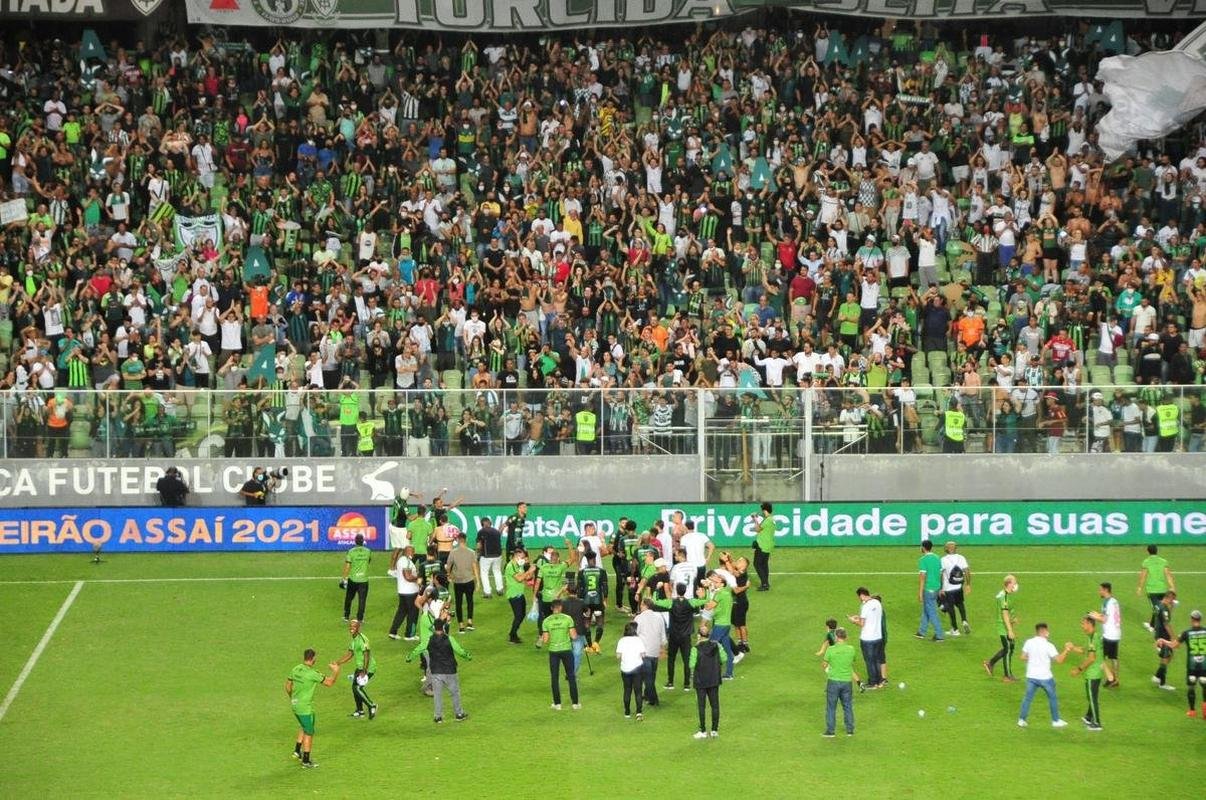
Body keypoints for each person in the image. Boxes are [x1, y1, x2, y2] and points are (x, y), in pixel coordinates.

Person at [285, 648, 341, 769]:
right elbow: (329, 683)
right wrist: (336, 671)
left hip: (295, 705)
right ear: (314, 658)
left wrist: (293, 698)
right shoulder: (312, 673)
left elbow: (288, 685)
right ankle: (306, 760)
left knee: (303, 726)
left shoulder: (296, 669)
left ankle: (296, 751)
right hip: (305, 708)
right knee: (309, 732)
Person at [407, 619, 470, 723]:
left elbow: (419, 648)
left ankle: (438, 717)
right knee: (454, 693)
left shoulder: (429, 640)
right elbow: (459, 650)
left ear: (434, 627)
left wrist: (409, 657)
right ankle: (459, 714)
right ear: (443, 627)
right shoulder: (450, 638)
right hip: (450, 671)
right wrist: (468, 656)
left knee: (437, 695)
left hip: (436, 671)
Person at [1017, 622, 1072, 728]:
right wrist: (1067, 650)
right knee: (1052, 698)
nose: (1048, 633)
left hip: (1031, 676)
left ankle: (1021, 720)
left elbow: (1022, 657)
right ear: (1042, 632)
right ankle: (1055, 720)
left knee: (1028, 698)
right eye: (1047, 631)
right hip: (1045, 677)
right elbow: (1059, 660)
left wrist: (1033, 659)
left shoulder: (1029, 642)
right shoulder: (1048, 645)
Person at [1155, 608, 1206, 718]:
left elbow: (1174, 645)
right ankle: (1205, 711)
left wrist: (1163, 641)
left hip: (1192, 666)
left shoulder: (1187, 633)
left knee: (1191, 687)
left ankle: (1192, 711)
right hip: (1204, 665)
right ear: (1200, 619)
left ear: (1192, 619)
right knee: (1204, 685)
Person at [1067, 615, 1105, 730]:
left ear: (1089, 624)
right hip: (1096, 672)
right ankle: (1089, 717)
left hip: (1093, 673)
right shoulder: (1093, 636)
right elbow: (1084, 650)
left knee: (1092, 697)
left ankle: (1097, 723)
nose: (1082, 626)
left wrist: (1078, 670)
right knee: (1092, 696)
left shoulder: (1093, 638)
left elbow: (1091, 658)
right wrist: (1072, 647)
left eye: (1083, 623)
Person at [334, 619, 377, 720]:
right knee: (355, 688)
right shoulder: (354, 639)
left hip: (368, 668)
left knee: (357, 688)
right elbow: (350, 654)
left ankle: (371, 705)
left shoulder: (362, 639)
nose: (351, 628)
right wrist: (338, 662)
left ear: (358, 628)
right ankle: (360, 711)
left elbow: (367, 655)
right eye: (351, 626)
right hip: (359, 667)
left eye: (354, 626)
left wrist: (364, 671)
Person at [541, 599, 581, 710]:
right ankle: (575, 703)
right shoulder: (568, 619)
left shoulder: (546, 621)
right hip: (567, 650)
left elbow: (545, 640)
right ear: (561, 607)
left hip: (554, 651)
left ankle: (557, 704)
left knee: (554, 677)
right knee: (571, 676)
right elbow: (574, 636)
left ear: (551, 608)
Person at [821, 627, 860, 738]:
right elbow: (852, 660)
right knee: (847, 706)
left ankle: (830, 731)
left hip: (833, 681)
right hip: (847, 682)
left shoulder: (831, 650)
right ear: (846, 637)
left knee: (831, 707)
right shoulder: (851, 649)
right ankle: (850, 730)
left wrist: (827, 667)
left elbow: (824, 664)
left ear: (836, 637)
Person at [691, 623, 726, 739]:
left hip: (700, 680)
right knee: (715, 705)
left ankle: (703, 731)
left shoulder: (695, 649)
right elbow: (724, 658)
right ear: (709, 635)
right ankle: (715, 730)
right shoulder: (717, 646)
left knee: (702, 706)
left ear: (699, 636)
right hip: (714, 679)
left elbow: (691, 664)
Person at [634, 597, 668, 707]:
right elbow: (663, 635)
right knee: (652, 675)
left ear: (645, 605)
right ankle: (647, 695)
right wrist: (662, 649)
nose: (640, 606)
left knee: (647, 677)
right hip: (655, 650)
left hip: (644, 651)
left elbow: (635, 634)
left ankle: (654, 699)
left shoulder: (639, 618)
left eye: (641, 604)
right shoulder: (659, 617)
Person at [984, 575, 1019, 682]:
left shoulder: (1004, 595)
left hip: (1006, 625)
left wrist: (1012, 621)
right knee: (1008, 649)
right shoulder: (1004, 597)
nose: (1016, 585)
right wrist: (1010, 630)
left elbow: (1006, 612)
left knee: (1009, 648)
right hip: (1003, 627)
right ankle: (1007, 676)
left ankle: (990, 663)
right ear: (1009, 584)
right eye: (1014, 583)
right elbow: (1004, 614)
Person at [850, 587, 885, 689]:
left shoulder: (865, 606)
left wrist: (853, 620)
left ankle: (873, 683)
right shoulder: (877, 603)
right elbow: (873, 617)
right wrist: (859, 617)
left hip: (867, 638)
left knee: (869, 661)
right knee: (876, 660)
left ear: (861, 595)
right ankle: (880, 681)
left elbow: (862, 623)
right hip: (878, 637)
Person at [703, 571, 736, 680]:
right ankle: (729, 674)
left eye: (716, 582)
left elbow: (708, 607)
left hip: (719, 625)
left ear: (722, 584)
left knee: (709, 649)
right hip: (727, 625)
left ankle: (709, 673)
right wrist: (711, 586)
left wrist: (706, 593)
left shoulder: (719, 594)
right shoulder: (727, 592)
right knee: (728, 651)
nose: (715, 584)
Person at [1089, 582, 1122, 687]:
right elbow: (1108, 615)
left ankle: (1111, 678)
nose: (1099, 591)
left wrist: (1092, 617)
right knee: (1113, 657)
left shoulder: (1106, 603)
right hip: (1116, 633)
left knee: (1098, 656)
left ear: (1105, 590)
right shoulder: (1114, 601)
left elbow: (1104, 620)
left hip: (1109, 635)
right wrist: (1096, 614)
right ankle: (1116, 679)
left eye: (1100, 590)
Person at [1137, 544, 1175, 632]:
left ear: (1148, 551)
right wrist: (1172, 587)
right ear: (1157, 551)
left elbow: (1143, 576)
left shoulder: (1146, 562)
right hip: (1162, 589)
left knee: (1157, 608)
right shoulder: (1163, 561)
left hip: (1152, 590)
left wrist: (1139, 588)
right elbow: (1168, 575)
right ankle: (1151, 624)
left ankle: (1153, 626)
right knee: (1157, 607)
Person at [387, 544, 422, 641]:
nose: (414, 553)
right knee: (413, 613)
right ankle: (409, 634)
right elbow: (408, 576)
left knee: (401, 612)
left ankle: (393, 632)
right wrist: (418, 577)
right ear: (408, 552)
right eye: (413, 551)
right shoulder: (406, 561)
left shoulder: (402, 560)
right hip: (410, 592)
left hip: (402, 591)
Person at [446, 532, 479, 633]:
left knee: (458, 603)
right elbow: (475, 568)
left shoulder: (453, 552)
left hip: (458, 581)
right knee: (470, 601)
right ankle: (469, 622)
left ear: (458, 540)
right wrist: (478, 581)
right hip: (469, 580)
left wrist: (449, 575)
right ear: (466, 539)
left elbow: (448, 565)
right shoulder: (471, 552)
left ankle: (461, 625)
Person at [577, 552, 609, 653]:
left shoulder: (582, 572)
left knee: (586, 623)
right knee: (600, 622)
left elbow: (579, 589)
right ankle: (596, 643)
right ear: (595, 559)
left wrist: (580, 601)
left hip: (586, 602)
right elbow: (605, 588)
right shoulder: (602, 571)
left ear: (586, 560)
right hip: (598, 601)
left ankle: (589, 646)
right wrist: (605, 600)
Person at [615, 621, 647, 720]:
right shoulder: (638, 640)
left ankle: (627, 712)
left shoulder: (621, 641)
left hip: (625, 669)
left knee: (627, 690)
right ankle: (638, 712)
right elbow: (643, 655)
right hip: (637, 668)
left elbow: (618, 656)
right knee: (638, 691)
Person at [939, 541, 971, 636]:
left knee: (950, 608)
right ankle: (964, 620)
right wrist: (968, 584)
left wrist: (941, 588)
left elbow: (941, 575)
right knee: (960, 604)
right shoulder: (961, 558)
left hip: (948, 588)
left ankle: (955, 629)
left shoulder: (943, 559)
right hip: (959, 586)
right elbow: (967, 571)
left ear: (947, 549)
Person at [503, 548, 535, 644]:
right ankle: (512, 635)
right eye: (522, 557)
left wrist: (531, 571)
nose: (523, 559)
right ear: (516, 556)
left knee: (522, 615)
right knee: (518, 616)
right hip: (513, 595)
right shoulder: (510, 566)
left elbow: (527, 577)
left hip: (520, 593)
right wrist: (529, 570)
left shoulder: (519, 565)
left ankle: (513, 634)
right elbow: (519, 579)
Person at [915, 540, 944, 641]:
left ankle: (940, 635)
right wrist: (941, 588)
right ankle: (921, 632)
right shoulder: (937, 558)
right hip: (936, 588)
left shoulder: (923, 560)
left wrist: (920, 593)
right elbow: (941, 574)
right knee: (926, 610)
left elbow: (922, 577)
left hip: (928, 589)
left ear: (923, 547)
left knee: (931, 612)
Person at [340, 533, 371, 623]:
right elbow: (368, 561)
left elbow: (347, 565)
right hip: (364, 580)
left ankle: (346, 616)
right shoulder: (368, 551)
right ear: (363, 541)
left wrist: (344, 578)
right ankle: (360, 618)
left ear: (355, 541)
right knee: (362, 600)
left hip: (353, 579)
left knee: (349, 598)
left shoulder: (351, 552)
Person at [1153, 591, 1179, 692]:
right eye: (1172, 599)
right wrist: (1173, 638)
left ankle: (1158, 676)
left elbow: (1164, 617)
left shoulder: (1159, 605)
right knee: (1166, 657)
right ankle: (1161, 683)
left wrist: (1171, 607)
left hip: (1159, 634)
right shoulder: (1164, 609)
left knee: (1169, 656)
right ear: (1168, 597)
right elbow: (1166, 624)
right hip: (1163, 636)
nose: (1173, 601)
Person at [750, 502, 775, 591]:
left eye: (762, 510)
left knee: (757, 564)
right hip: (768, 545)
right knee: (764, 564)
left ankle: (764, 584)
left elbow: (758, 529)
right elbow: (761, 529)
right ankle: (766, 583)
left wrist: (755, 519)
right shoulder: (771, 519)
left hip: (762, 545)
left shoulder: (767, 520)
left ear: (764, 510)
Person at [476, 518, 504, 598]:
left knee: (484, 573)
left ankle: (487, 592)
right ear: (490, 523)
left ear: (482, 524)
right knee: (497, 571)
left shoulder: (481, 531)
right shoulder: (496, 531)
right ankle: (500, 589)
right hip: (498, 555)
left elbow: (479, 545)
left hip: (486, 556)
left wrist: (477, 554)